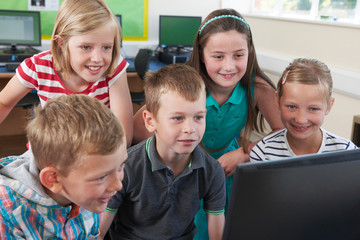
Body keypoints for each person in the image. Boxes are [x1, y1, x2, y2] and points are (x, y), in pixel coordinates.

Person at [99, 64, 226, 240]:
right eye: (177, 118)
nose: (190, 128)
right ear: (150, 121)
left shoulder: (212, 170)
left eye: (198, 117)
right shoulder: (125, 167)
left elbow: (216, 227)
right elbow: (99, 230)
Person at [0, 0, 133, 147]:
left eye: (106, 47)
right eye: (86, 47)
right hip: (51, 152)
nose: (97, 59)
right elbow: (3, 102)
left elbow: (123, 136)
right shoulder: (37, 66)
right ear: (61, 43)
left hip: (97, 153)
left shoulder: (114, 65)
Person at [0, 94, 128, 239]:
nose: (117, 185)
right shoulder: (9, 215)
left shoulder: (93, 195)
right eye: (101, 177)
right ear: (53, 179)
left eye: (121, 166)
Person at [250, 58, 358, 161]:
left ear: (329, 106)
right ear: (277, 101)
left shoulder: (347, 152)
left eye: (313, 109)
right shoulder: (262, 153)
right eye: (292, 107)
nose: (301, 119)